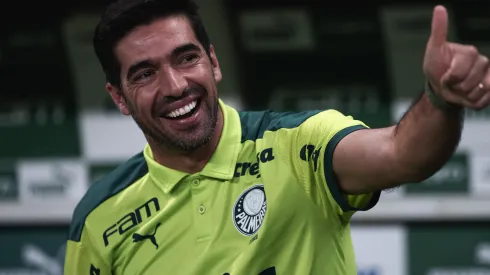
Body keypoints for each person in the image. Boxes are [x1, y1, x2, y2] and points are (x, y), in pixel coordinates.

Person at [63, 0, 490, 274]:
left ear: (213, 63)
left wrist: (440, 99)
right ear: (119, 98)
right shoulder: (99, 218)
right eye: (145, 74)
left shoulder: (297, 143)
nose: (175, 86)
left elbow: (401, 154)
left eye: (186, 57)